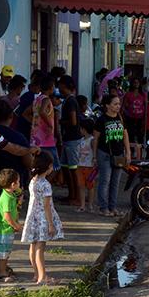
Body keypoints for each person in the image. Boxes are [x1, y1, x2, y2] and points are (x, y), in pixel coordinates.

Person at [21, 151, 63, 285]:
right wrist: (51, 224)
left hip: (33, 218)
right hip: (42, 219)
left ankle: (36, 274)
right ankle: (43, 277)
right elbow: (46, 206)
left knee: (33, 247)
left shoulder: (33, 181)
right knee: (40, 248)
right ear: (49, 167)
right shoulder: (45, 185)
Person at [93, 94, 131, 217]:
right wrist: (94, 156)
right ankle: (103, 207)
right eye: (115, 104)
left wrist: (128, 152)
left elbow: (125, 136)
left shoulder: (120, 118)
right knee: (105, 181)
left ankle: (112, 207)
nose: (118, 106)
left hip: (119, 154)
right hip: (104, 154)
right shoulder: (101, 120)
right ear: (107, 106)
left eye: (118, 104)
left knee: (115, 182)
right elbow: (96, 139)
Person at [0, 169, 23, 282]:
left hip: (7, 230)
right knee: (2, 253)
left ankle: (4, 269)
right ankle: (1, 273)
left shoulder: (10, 194)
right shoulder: (6, 198)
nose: (19, 184)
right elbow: (7, 216)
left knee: (6, 251)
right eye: (18, 182)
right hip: (3, 231)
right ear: (13, 184)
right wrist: (16, 226)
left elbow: (19, 195)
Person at [59, 76, 82, 205]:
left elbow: (73, 121)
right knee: (66, 168)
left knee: (73, 170)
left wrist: (60, 121)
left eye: (60, 85)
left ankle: (76, 197)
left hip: (72, 139)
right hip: (68, 139)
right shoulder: (67, 100)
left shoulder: (71, 101)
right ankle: (71, 195)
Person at [30, 75, 59, 174]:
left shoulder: (36, 99)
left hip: (36, 137)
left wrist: (35, 123)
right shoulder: (46, 100)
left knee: (38, 165)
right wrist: (50, 124)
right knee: (55, 166)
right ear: (51, 87)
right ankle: (43, 184)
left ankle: (38, 183)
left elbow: (27, 113)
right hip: (46, 138)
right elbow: (42, 112)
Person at [75, 120, 96, 212]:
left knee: (90, 186)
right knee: (81, 186)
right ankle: (83, 205)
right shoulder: (82, 140)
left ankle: (90, 205)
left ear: (84, 129)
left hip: (90, 166)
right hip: (80, 165)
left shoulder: (92, 140)